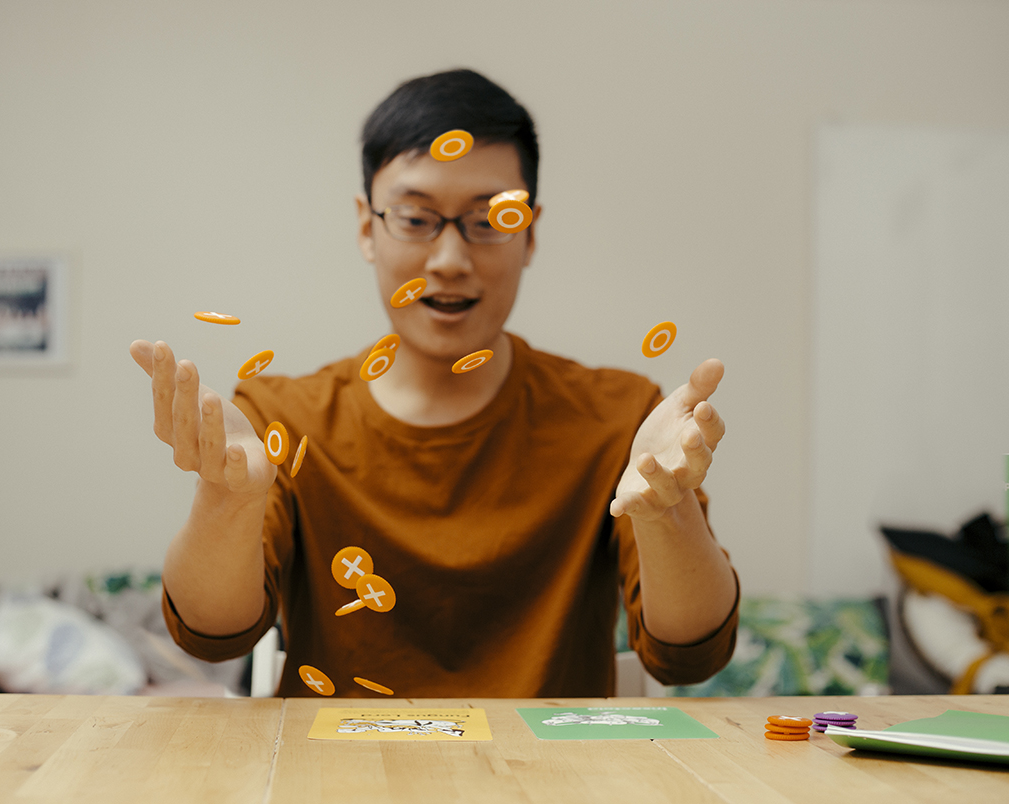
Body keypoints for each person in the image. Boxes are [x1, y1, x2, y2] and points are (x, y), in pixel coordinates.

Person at [130, 69, 739, 697]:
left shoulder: (617, 416)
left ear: (529, 232)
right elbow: (211, 635)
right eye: (417, 219)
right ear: (368, 227)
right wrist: (226, 501)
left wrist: (671, 514)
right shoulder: (284, 415)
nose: (449, 260)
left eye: (488, 220)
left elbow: (688, 657)